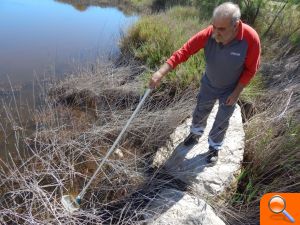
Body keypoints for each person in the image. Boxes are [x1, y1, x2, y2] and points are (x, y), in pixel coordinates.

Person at [148, 2, 261, 164]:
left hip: (230, 88)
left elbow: (251, 69)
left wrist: (236, 92)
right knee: (201, 110)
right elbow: (184, 51)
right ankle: (195, 134)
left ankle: (214, 147)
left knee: (222, 119)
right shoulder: (209, 33)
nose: (215, 32)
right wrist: (160, 72)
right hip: (209, 83)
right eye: (214, 26)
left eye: (221, 29)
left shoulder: (250, 39)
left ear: (235, 26)